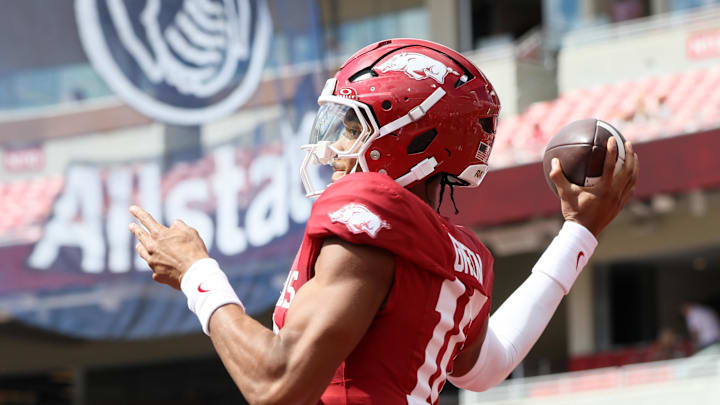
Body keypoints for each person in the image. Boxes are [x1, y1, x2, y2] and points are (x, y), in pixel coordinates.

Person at [129, 38, 639, 404]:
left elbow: (276, 384)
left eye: (351, 128)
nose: (333, 150)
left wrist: (197, 274)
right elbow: (491, 366)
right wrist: (580, 231)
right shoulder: (463, 256)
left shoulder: (370, 208)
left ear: (413, 137)